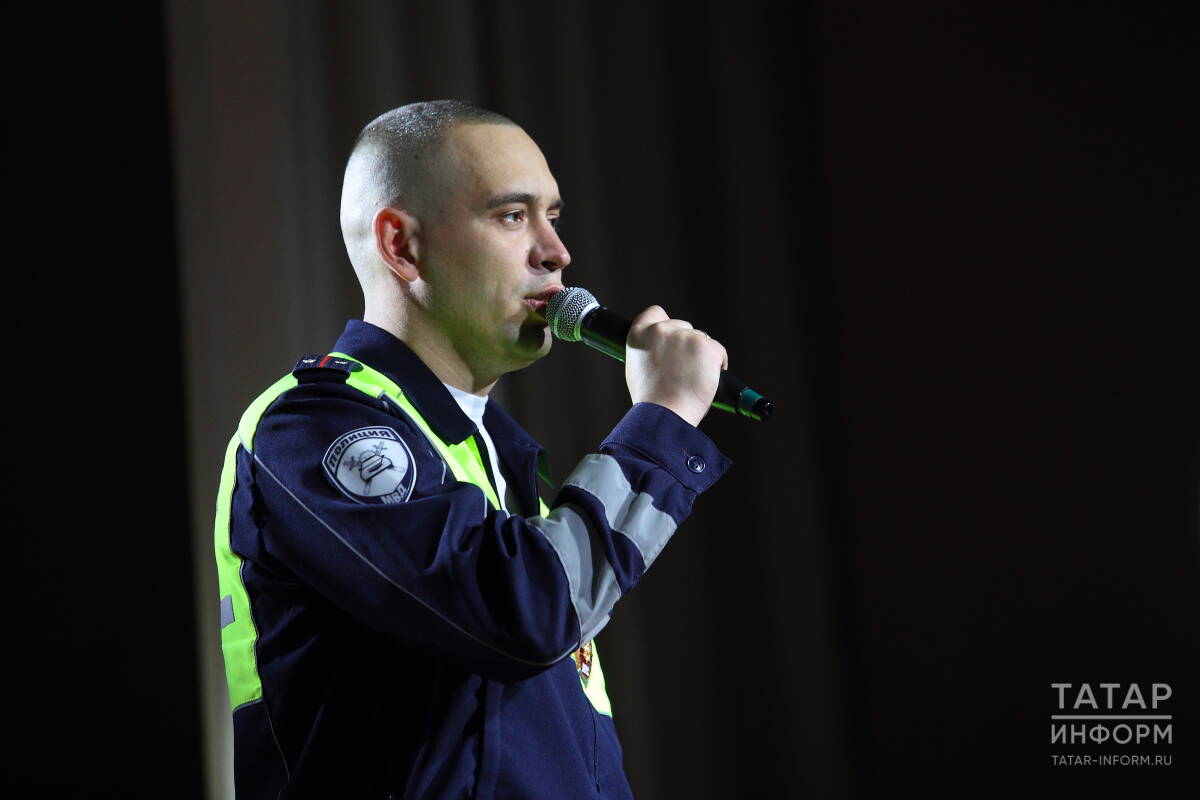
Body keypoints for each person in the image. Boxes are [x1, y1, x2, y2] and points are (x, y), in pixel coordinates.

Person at [214, 100, 732, 798]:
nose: (556, 253)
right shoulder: (311, 427)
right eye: (513, 216)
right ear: (401, 246)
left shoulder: (501, 463)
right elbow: (523, 615)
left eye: (554, 217)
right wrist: (662, 421)